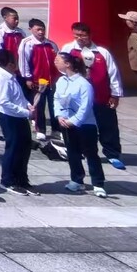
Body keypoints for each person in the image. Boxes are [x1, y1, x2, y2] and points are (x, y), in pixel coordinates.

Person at [69, 22, 127, 169]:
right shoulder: (69, 50)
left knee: (108, 127)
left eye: (82, 35)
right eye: (76, 35)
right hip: (79, 100)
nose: (79, 38)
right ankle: (83, 151)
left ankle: (112, 154)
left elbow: (113, 74)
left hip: (101, 97)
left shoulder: (102, 52)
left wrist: (115, 95)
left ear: (89, 35)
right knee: (82, 127)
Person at [52, 51, 108, 198]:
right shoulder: (61, 81)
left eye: (58, 60)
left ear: (68, 64)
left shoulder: (83, 84)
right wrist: (59, 116)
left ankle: (98, 183)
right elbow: (57, 99)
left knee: (91, 153)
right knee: (72, 152)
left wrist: (74, 121)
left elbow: (86, 106)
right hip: (66, 122)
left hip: (85, 124)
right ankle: (77, 179)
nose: (55, 62)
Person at [0, 48, 35, 195]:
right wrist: (25, 112)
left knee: (25, 147)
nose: (16, 65)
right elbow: (3, 101)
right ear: (8, 63)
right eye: (14, 62)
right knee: (14, 148)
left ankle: (21, 178)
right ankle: (8, 180)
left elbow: (19, 95)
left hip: (20, 115)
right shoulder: (0, 78)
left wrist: (28, 105)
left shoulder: (11, 75)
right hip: (10, 117)